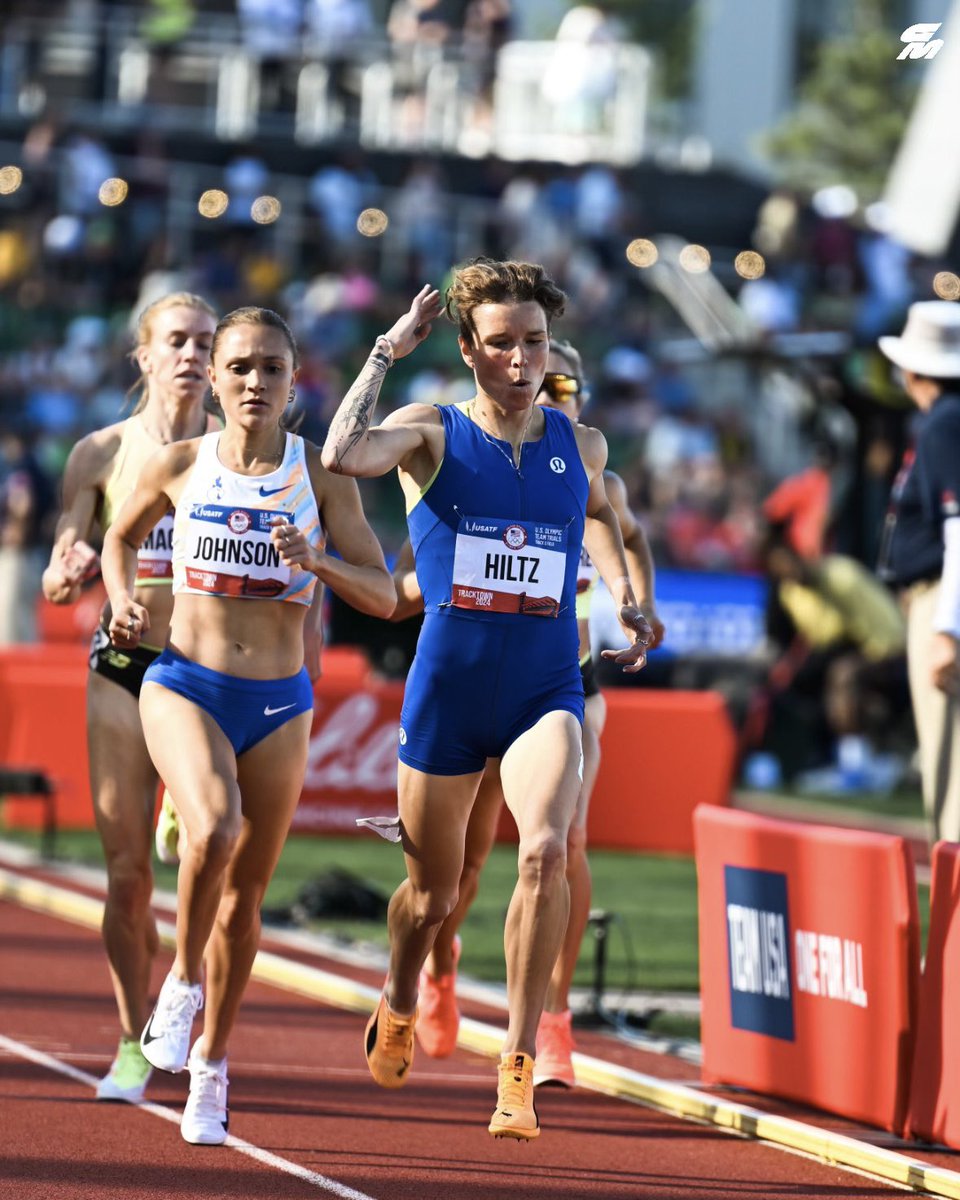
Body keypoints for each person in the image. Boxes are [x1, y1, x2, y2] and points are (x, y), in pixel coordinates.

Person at [321, 258, 650, 1140]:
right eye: (502, 343)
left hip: (547, 688)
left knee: (545, 849)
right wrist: (389, 349)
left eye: (534, 343)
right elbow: (341, 454)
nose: (521, 359)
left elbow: (605, 525)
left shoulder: (581, 446)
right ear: (469, 348)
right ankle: (398, 992)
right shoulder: (431, 430)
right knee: (432, 897)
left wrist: (628, 601)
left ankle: (517, 1064)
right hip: (449, 692)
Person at [100, 305, 395, 1145]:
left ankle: (212, 1068)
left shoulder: (322, 476)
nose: (253, 382)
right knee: (216, 828)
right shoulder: (180, 462)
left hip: (280, 704)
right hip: (185, 683)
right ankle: (182, 987)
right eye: (238, 368)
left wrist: (318, 562)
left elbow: (380, 592)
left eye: (271, 367)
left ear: (293, 380)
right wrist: (123, 603)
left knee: (247, 900)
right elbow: (120, 541)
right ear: (217, 380)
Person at [391, 337, 665, 1087]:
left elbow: (626, 532)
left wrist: (634, 599)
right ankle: (439, 963)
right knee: (465, 864)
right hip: (474, 675)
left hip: (564, 678)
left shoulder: (586, 461)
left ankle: (551, 1023)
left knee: (560, 845)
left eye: (562, 373)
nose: (548, 384)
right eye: (540, 371)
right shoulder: (483, 460)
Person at [41, 292, 220, 1106]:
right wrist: (68, 571)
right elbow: (56, 572)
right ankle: (131, 1039)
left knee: (208, 868)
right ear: (143, 356)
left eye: (204, 342)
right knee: (125, 876)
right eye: (176, 341)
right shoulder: (99, 452)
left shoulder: (239, 454)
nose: (191, 354)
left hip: (211, 676)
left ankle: (202, 1039)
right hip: (123, 666)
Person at [877, 301, 960, 843]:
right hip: (933, 596)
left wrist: (946, 627)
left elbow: (958, 528)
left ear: (913, 369)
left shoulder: (945, 424)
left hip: (945, 601)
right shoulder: (943, 422)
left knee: (950, 762)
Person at [757, 525, 907, 789]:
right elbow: (823, 639)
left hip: (892, 656)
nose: (786, 572)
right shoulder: (791, 594)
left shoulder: (842, 575)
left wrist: (862, 664)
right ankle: (820, 759)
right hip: (848, 655)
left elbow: (891, 635)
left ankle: (854, 767)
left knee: (844, 675)